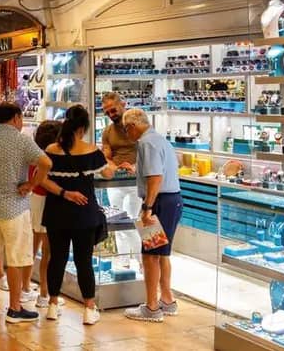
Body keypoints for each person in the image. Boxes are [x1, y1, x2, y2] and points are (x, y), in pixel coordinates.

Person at [0, 102, 51, 324]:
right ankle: (15, 308)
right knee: (16, 259)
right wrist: (31, 184)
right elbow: (46, 162)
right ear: (16, 117)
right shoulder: (22, 141)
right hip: (15, 208)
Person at [40, 106, 117, 325]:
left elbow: (42, 179)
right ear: (83, 128)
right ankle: (89, 309)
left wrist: (65, 193)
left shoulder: (52, 149)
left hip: (56, 212)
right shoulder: (91, 150)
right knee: (84, 262)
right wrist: (111, 159)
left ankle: (53, 305)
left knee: (57, 259)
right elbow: (109, 173)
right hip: (84, 214)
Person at [122, 108, 184, 323]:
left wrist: (148, 207)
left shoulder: (146, 143)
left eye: (126, 129)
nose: (126, 134)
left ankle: (151, 307)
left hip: (159, 203)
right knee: (162, 254)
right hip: (172, 200)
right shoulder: (159, 139)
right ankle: (167, 300)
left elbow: (155, 178)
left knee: (150, 256)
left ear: (132, 125)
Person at [29, 120, 62, 308]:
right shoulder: (50, 159)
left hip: (34, 202)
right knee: (48, 252)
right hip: (48, 204)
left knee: (31, 250)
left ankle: (26, 288)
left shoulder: (34, 156)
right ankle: (44, 292)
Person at [101, 92, 137, 170]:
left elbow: (150, 154)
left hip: (139, 174)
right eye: (107, 113)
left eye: (113, 111)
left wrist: (134, 167)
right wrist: (116, 168)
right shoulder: (107, 132)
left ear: (123, 105)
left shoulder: (139, 126)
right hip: (117, 175)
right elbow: (106, 158)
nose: (111, 115)